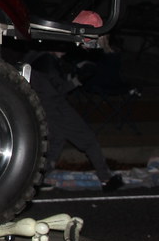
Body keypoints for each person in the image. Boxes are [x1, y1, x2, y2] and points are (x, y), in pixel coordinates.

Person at [23, 11, 124, 192]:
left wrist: (74, 73)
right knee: (88, 140)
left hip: (43, 105)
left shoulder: (42, 53)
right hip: (53, 106)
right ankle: (106, 179)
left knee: (56, 141)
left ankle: (36, 181)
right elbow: (56, 90)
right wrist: (76, 80)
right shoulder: (47, 60)